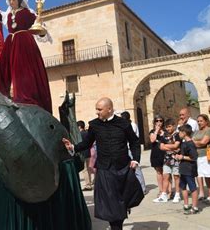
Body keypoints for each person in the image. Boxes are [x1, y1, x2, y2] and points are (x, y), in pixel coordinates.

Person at [62, 97, 142, 230]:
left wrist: (135, 159)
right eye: (96, 109)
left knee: (123, 200)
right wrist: (73, 148)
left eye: (99, 109)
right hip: (105, 169)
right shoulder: (94, 125)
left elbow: (134, 142)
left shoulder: (123, 124)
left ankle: (119, 222)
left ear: (109, 109)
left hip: (122, 168)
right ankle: (116, 226)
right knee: (110, 204)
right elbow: (87, 143)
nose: (97, 112)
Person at [0, 0, 52, 113]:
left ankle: (26, 99)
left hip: (24, 42)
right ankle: (1, 97)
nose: (11, 2)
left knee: (24, 71)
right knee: (4, 70)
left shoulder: (28, 13)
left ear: (19, 0)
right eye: (9, 0)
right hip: (10, 44)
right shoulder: (8, 15)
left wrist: (39, 23)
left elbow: (40, 29)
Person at [192, 114, 210, 204]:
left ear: (206, 121)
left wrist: (194, 142)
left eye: (201, 121)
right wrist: (196, 143)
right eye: (198, 121)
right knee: (206, 175)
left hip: (208, 155)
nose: (199, 123)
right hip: (199, 156)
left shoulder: (209, 130)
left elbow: (204, 142)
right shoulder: (197, 131)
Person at [120, 111, 147, 194]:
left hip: (131, 149)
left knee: (136, 168)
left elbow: (130, 138)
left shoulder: (132, 125)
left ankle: (142, 188)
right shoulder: (127, 125)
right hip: (126, 149)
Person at [175, 124, 199, 214]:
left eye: (180, 132)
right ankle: (186, 204)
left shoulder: (191, 144)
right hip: (183, 169)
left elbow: (194, 157)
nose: (178, 134)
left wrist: (182, 157)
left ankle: (195, 207)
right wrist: (177, 153)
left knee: (192, 187)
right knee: (183, 187)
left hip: (189, 169)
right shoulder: (184, 143)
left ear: (184, 133)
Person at [156, 118, 182, 203]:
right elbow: (161, 147)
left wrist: (167, 146)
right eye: (167, 127)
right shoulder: (164, 136)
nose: (168, 129)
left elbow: (177, 145)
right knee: (165, 176)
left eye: (170, 127)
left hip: (176, 159)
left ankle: (177, 194)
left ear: (174, 126)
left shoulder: (177, 135)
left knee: (176, 176)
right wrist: (172, 146)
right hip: (167, 159)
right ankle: (164, 195)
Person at [149, 115, 166, 198]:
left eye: (161, 120)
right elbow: (152, 140)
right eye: (157, 121)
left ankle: (167, 190)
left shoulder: (166, 131)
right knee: (159, 172)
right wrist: (156, 131)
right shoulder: (152, 131)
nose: (159, 122)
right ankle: (161, 190)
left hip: (165, 153)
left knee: (166, 172)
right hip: (156, 153)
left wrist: (162, 133)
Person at [77, 120, 93, 191]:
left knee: (85, 170)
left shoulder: (80, 134)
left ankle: (88, 185)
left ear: (79, 127)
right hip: (88, 153)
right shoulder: (87, 133)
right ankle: (89, 183)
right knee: (88, 169)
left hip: (83, 153)